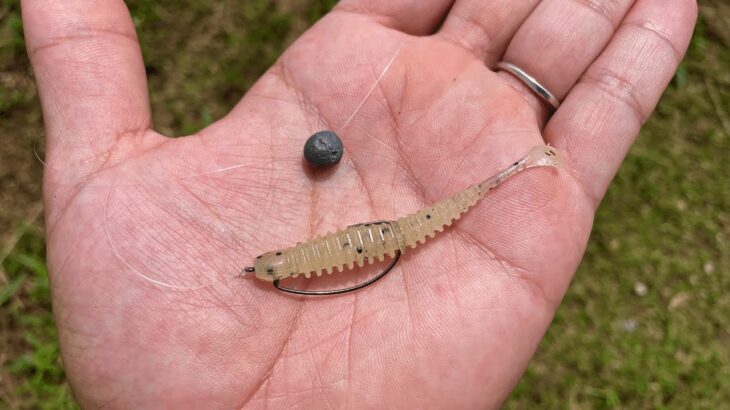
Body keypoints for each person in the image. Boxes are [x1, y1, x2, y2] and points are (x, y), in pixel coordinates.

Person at [22, 0, 697, 408]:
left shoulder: (331, 255)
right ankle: (520, 169)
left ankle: (521, 169)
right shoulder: (299, 270)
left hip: (395, 231)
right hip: (382, 236)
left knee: (430, 221)